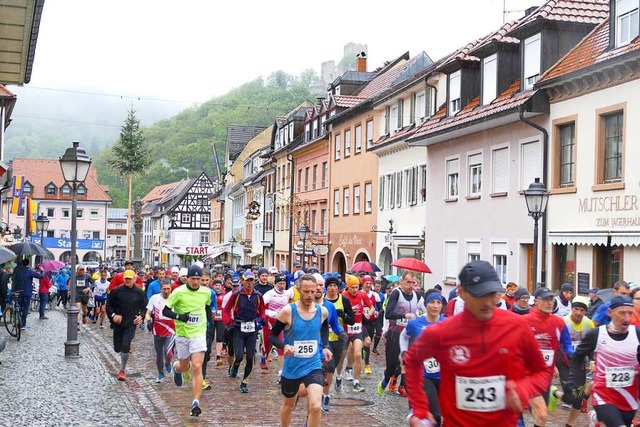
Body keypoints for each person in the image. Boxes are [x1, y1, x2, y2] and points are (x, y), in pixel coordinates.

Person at [404, 260, 551, 426]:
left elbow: (541, 371)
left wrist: (523, 390)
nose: (487, 302)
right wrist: (420, 408)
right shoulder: (441, 332)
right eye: (479, 295)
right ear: (462, 292)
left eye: (491, 294)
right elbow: (412, 360)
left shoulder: (517, 326)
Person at [565, 296, 640, 427]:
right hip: (603, 396)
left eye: (630, 313)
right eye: (622, 313)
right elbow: (577, 357)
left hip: (629, 398)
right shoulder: (597, 334)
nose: (627, 318)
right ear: (610, 312)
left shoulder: (637, 334)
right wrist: (572, 380)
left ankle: (595, 417)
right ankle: (598, 414)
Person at [269, 274, 332, 427]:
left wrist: (325, 346)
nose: (310, 295)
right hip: (292, 367)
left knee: (316, 406)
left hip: (313, 364)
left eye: (313, 291)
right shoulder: (287, 312)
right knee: (289, 405)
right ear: (298, 289)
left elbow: (324, 327)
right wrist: (284, 346)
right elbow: (272, 336)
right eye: (306, 292)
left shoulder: (321, 311)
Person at [162, 265, 212, 417]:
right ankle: (176, 368)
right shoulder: (178, 292)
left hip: (198, 334)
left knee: (197, 366)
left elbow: (207, 309)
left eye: (198, 279)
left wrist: (210, 328)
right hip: (183, 334)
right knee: (185, 365)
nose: (196, 282)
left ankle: (195, 403)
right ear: (187, 279)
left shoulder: (206, 292)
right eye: (193, 279)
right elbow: (166, 311)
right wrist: (180, 317)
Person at [524, 287, 574, 427]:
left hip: (545, 374)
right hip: (527, 374)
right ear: (536, 301)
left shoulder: (558, 322)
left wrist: (574, 356)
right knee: (541, 414)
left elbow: (567, 344)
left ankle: (552, 391)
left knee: (540, 416)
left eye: (551, 299)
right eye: (545, 300)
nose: (549, 303)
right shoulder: (525, 321)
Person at [398, 289, 445, 425]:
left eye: (438, 302)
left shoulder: (447, 323)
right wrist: (404, 352)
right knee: (435, 415)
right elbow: (403, 336)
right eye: (432, 302)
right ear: (425, 304)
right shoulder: (416, 323)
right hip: (425, 375)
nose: (435, 306)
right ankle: (415, 412)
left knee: (444, 416)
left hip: (443, 376)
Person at [378, 271, 424, 397]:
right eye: (408, 282)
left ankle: (403, 386)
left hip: (410, 334)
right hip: (395, 334)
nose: (410, 285)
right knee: (392, 366)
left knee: (407, 361)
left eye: (413, 282)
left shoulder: (417, 295)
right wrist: (404, 315)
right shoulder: (396, 293)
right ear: (402, 281)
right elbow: (388, 314)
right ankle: (387, 378)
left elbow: (426, 310)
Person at [223, 270, 266, 393]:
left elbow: (262, 310)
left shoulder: (258, 296)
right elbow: (226, 310)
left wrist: (262, 319)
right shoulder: (236, 295)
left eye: (251, 281)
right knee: (240, 356)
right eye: (247, 281)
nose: (249, 283)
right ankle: (235, 366)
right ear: (242, 281)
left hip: (252, 329)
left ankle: (244, 382)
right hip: (238, 328)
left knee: (251, 357)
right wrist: (227, 324)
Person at [106, 269, 147, 381]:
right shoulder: (116, 291)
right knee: (117, 348)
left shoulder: (139, 292)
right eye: (126, 278)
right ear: (123, 279)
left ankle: (122, 370)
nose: (128, 280)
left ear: (134, 279)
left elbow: (144, 307)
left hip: (131, 323)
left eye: (130, 278)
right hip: (118, 323)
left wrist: (141, 317)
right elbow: (108, 306)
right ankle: (125, 348)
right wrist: (114, 315)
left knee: (125, 345)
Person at [341, 274, 374, 392]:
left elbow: (372, 307)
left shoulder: (362, 295)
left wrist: (368, 314)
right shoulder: (343, 296)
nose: (355, 290)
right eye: (352, 287)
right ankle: (343, 372)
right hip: (345, 329)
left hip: (358, 328)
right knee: (345, 353)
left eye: (356, 287)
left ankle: (356, 382)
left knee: (358, 354)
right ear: (347, 287)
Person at [145, 278, 175, 383]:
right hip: (157, 329)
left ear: (171, 288)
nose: (166, 291)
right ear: (160, 289)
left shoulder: (175, 298)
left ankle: (168, 362)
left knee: (167, 350)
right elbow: (148, 313)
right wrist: (148, 321)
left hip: (171, 329)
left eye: (168, 289)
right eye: (164, 289)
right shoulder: (154, 298)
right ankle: (160, 373)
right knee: (158, 355)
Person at [13, 258, 44, 330]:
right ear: (28, 264)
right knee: (25, 308)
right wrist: (42, 270)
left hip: (19, 292)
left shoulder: (18, 271)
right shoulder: (29, 272)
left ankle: (18, 321)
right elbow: (41, 276)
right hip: (27, 293)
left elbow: (15, 281)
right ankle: (23, 324)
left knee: (19, 307)